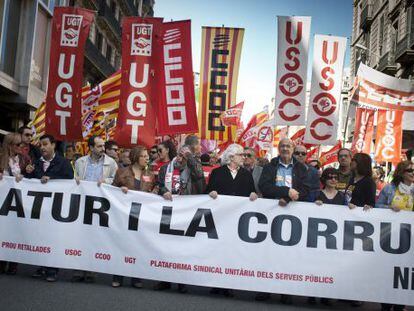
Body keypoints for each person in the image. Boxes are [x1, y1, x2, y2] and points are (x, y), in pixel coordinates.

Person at [257, 138, 309, 304]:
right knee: (268, 252)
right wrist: (287, 192)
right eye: (282, 146)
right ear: (278, 149)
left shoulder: (302, 168)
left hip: (293, 215)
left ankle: (286, 291)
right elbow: (264, 186)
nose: (285, 148)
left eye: (288, 146)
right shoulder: (270, 166)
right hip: (271, 214)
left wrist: (290, 197)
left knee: (288, 253)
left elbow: (306, 190)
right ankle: (265, 289)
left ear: (293, 149)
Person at [206, 144, 257, 297]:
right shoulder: (217, 172)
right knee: (217, 250)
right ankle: (215, 283)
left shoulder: (247, 175)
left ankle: (228, 284)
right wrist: (211, 192)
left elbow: (252, 191)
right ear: (231, 157)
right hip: (220, 218)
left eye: (245, 155)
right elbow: (208, 190)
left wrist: (254, 195)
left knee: (232, 252)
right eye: (241, 155)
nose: (244, 158)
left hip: (237, 219)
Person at [155, 143, 206, 293]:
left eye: (184, 155)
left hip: (186, 211)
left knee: (182, 247)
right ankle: (164, 280)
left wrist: (190, 157)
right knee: (165, 246)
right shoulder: (166, 168)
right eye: (179, 154)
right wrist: (164, 190)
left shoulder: (192, 168)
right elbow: (159, 183)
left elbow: (199, 175)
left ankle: (181, 281)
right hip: (169, 210)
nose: (180, 158)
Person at [27, 134, 74, 282]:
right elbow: (28, 183)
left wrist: (52, 180)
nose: (42, 147)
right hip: (39, 209)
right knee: (40, 237)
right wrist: (26, 173)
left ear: (53, 145)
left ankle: (52, 269)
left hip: (56, 208)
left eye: (45, 144)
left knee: (53, 238)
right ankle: (41, 266)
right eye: (41, 145)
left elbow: (70, 182)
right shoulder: (35, 163)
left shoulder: (64, 163)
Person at [72, 136, 118, 282]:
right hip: (82, 201)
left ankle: (91, 268)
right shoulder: (80, 162)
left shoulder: (111, 163)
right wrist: (76, 180)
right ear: (91, 148)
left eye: (103, 146)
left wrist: (106, 181)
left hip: (100, 204)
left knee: (95, 236)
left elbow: (116, 180)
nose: (103, 149)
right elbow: (74, 177)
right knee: (79, 235)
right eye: (99, 146)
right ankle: (78, 268)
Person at [111, 146, 155, 288]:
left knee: (138, 246)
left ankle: (136, 277)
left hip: (141, 217)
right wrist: (119, 190)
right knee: (122, 245)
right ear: (136, 157)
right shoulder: (122, 172)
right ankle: (118, 275)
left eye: (147, 155)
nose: (147, 158)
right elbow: (111, 191)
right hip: (124, 216)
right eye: (143, 156)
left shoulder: (150, 174)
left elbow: (155, 190)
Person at [376, 161, 413, 311]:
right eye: (410, 170)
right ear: (402, 173)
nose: (413, 172)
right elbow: (377, 206)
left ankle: (400, 304)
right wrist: (389, 207)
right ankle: (385, 304)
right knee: (388, 270)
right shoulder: (390, 188)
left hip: (408, 238)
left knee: (405, 271)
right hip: (389, 237)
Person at [0, 133, 31, 275]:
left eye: (22, 144)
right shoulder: (1, 157)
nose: (22, 147)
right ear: (10, 145)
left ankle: (13, 263)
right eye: (18, 144)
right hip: (3, 201)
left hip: (18, 201)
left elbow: (31, 178)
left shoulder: (25, 159)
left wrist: (26, 174)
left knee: (16, 230)